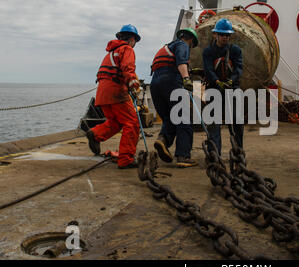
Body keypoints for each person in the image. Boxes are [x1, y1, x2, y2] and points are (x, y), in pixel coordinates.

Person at [86, 24, 141, 169]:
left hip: (102, 94)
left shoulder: (110, 53)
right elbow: (128, 69)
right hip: (116, 92)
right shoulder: (126, 49)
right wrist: (134, 86)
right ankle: (126, 160)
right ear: (132, 39)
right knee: (132, 123)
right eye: (135, 41)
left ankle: (96, 134)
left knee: (116, 121)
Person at [150, 28, 199, 168]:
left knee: (170, 118)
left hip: (155, 85)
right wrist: (187, 79)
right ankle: (183, 156)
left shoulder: (166, 47)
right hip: (171, 82)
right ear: (190, 41)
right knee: (184, 120)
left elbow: (168, 64)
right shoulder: (182, 45)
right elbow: (181, 63)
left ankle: (162, 140)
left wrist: (190, 71)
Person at [202, 18, 243, 155]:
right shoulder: (208, 52)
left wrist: (231, 80)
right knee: (214, 122)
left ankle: (238, 151)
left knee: (237, 121)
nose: (224, 37)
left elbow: (239, 68)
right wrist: (217, 81)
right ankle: (215, 154)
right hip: (214, 89)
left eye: (227, 35)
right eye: (222, 35)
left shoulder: (235, 51)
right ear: (215, 35)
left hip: (232, 88)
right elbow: (208, 69)